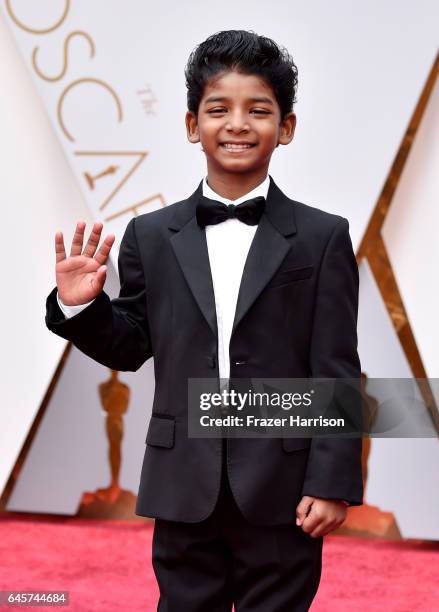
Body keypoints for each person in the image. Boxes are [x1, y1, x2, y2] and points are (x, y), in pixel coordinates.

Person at [45, 29, 363, 612]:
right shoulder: (151, 236)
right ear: (192, 125)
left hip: (283, 486)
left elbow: (338, 370)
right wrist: (80, 306)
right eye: (219, 108)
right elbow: (131, 344)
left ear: (286, 128)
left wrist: (332, 481)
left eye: (258, 110)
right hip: (182, 479)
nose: (237, 123)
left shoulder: (323, 238)